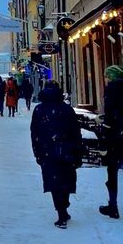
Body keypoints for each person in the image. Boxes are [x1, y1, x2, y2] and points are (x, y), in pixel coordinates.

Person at [30, 80, 82, 228]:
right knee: (65, 180)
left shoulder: (40, 110)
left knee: (54, 183)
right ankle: (64, 206)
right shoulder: (66, 109)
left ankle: (61, 212)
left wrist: (37, 152)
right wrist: (77, 152)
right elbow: (75, 132)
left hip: (47, 151)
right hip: (67, 150)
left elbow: (34, 132)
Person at [99, 65, 123, 219]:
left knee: (112, 170)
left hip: (116, 135)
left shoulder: (112, 89)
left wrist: (105, 132)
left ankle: (113, 206)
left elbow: (109, 113)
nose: (105, 79)